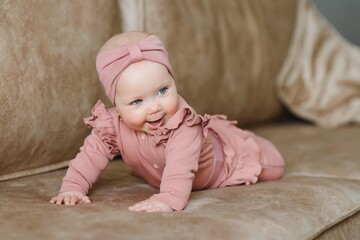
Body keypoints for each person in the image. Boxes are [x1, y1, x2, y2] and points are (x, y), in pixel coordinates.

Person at [50, 31, 285, 212]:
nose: (154, 107)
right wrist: (73, 188)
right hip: (158, 170)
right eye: (136, 102)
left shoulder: (184, 126)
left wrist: (168, 200)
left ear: (173, 81)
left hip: (224, 160)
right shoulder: (111, 126)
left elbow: (180, 169)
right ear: (116, 106)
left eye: (162, 91)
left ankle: (248, 142)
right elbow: (89, 157)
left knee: (274, 166)